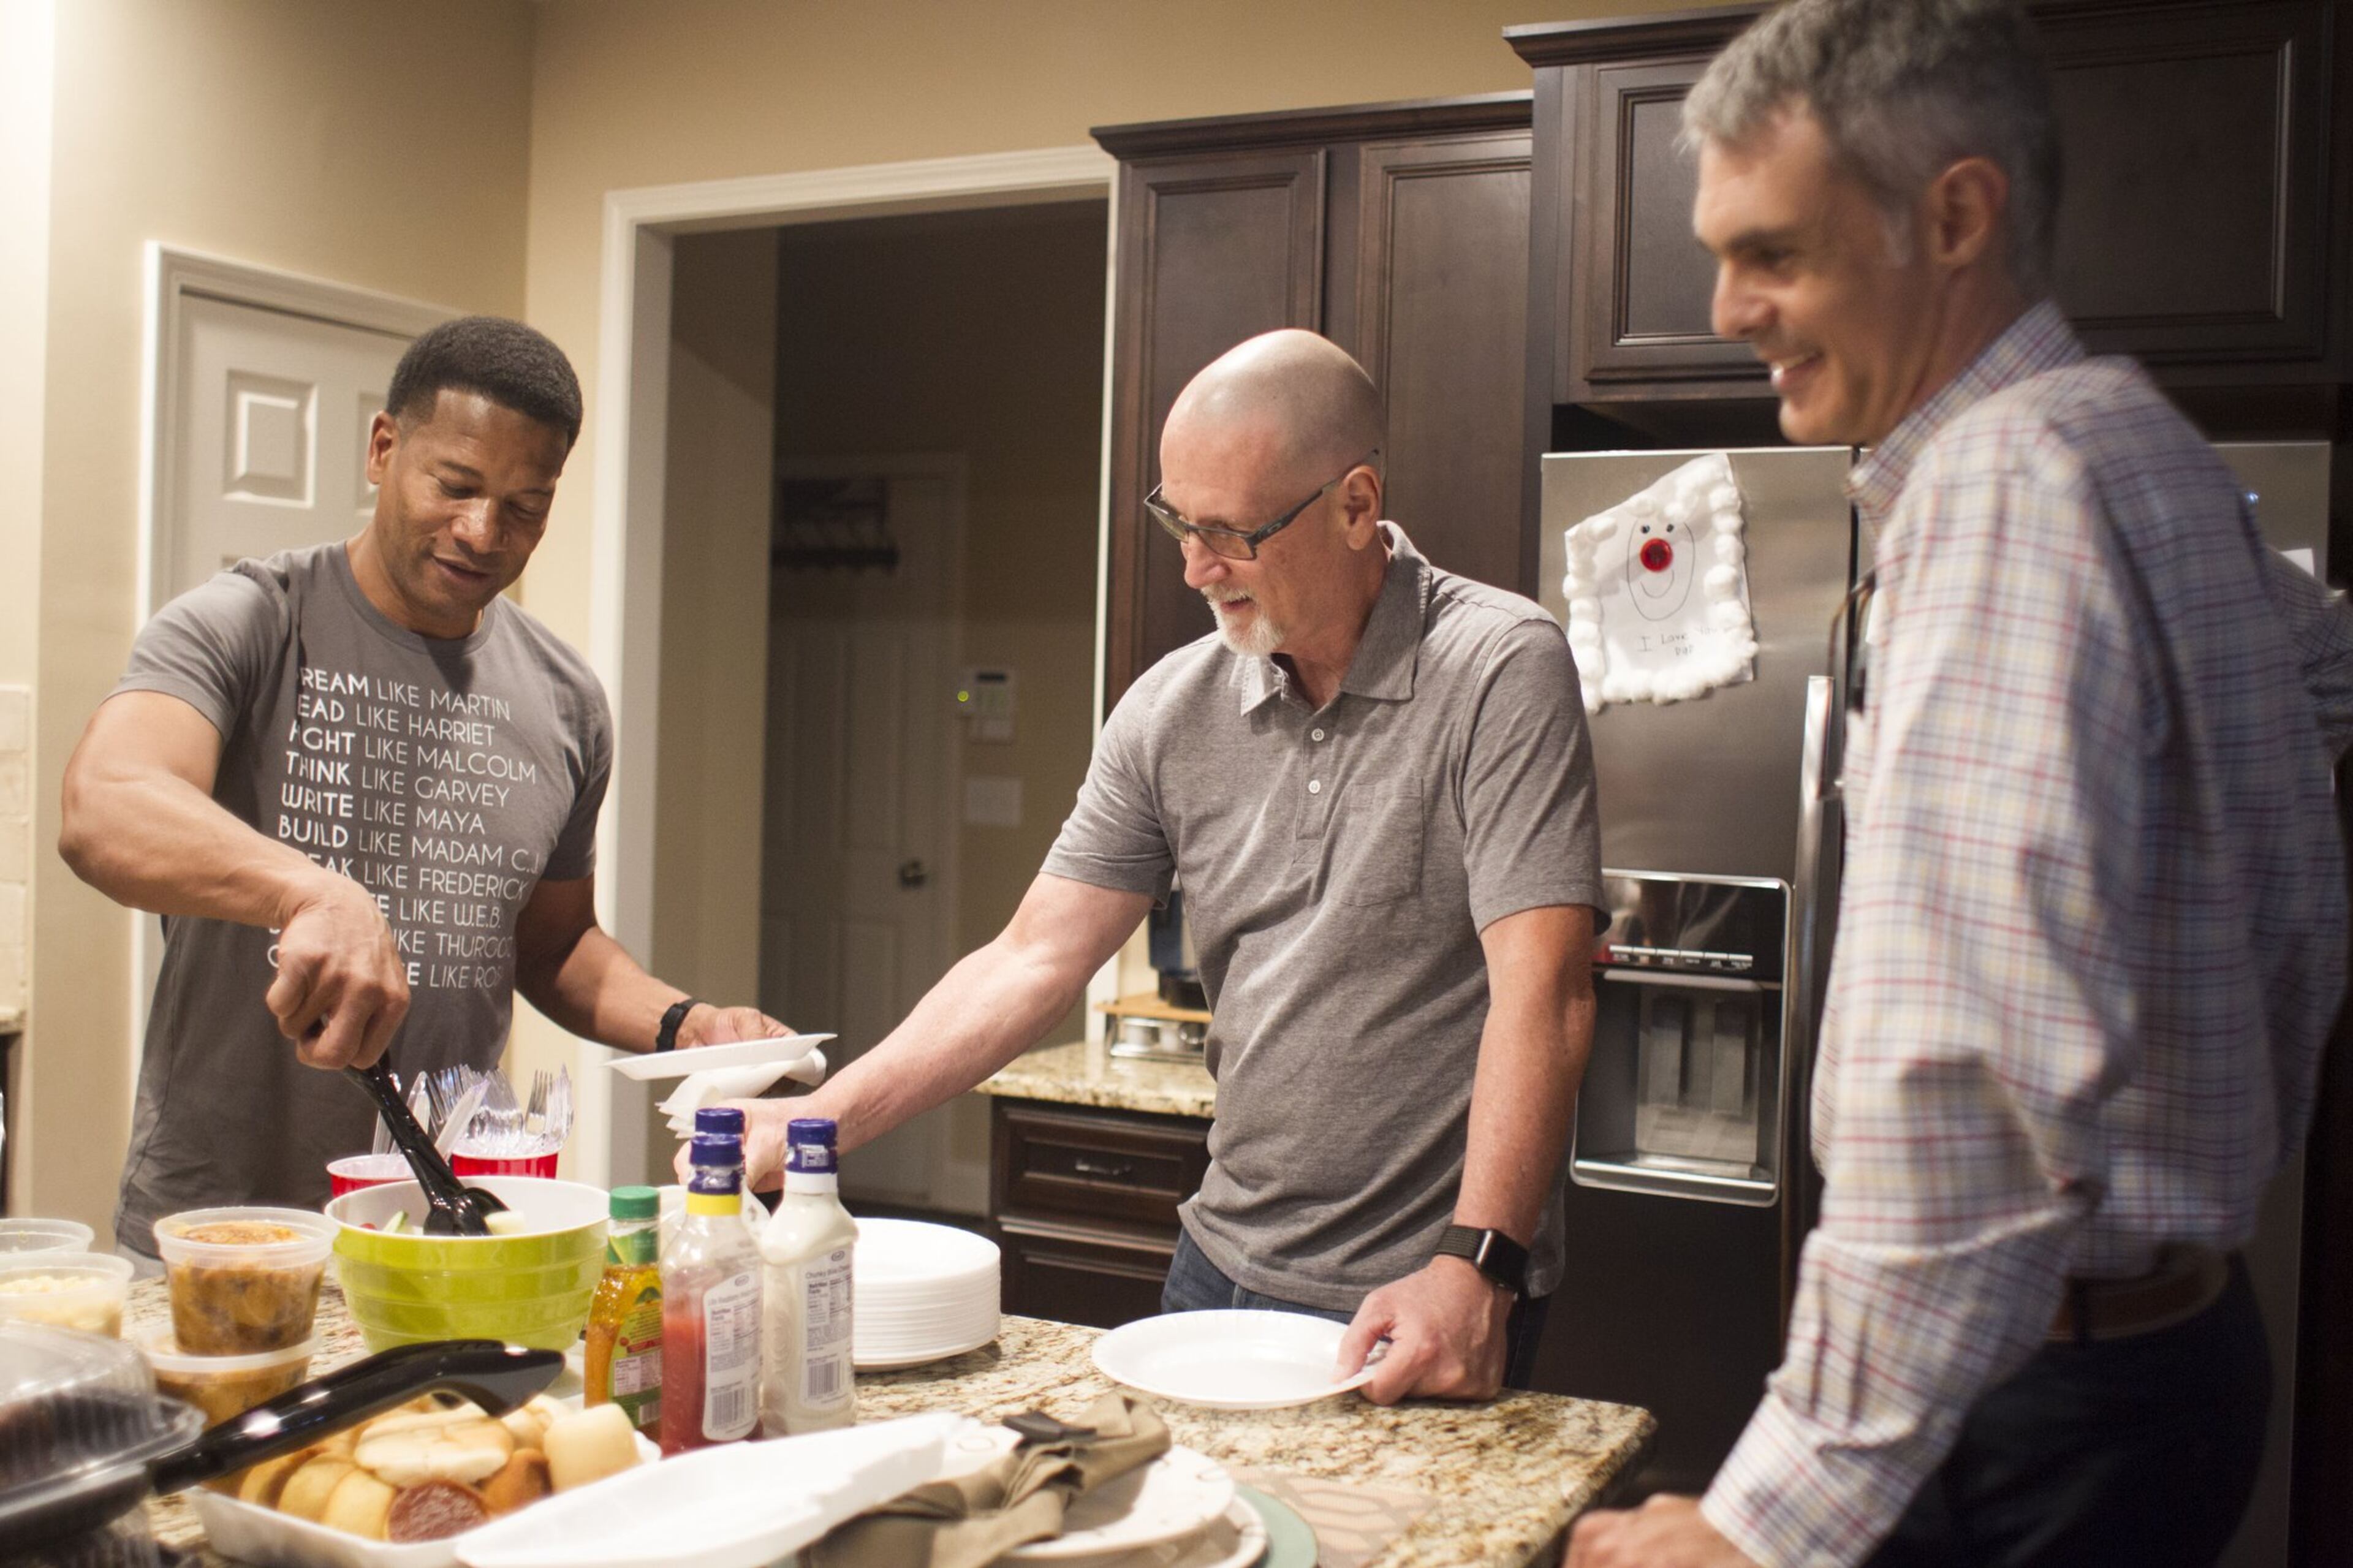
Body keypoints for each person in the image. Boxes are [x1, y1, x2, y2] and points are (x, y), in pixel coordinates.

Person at [1567, 2, 2353, 1566]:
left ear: (1957, 215)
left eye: (1773, 251)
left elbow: (1974, 1084)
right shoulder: (2151, 455)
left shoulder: (2005, 489)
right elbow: (2306, 770)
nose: (1727, 308)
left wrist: (1758, 1526)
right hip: (2172, 1344)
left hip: (2028, 1394)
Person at [716, 330, 1602, 1400]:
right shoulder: (1172, 708)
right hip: (1216, 1266)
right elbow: (1033, 957)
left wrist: (1480, 1265)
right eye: (1179, 522)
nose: (1193, 566)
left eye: (1229, 532)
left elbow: (1544, 992)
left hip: (1425, 1294)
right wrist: (813, 1125)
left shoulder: (1499, 669)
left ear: (1357, 504)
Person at [61, 316, 784, 1267]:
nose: (483, 533)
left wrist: (685, 1022)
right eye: (456, 486)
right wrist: (311, 890)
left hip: (444, 1223)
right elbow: (105, 801)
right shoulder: (252, 622)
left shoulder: (565, 699)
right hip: (224, 1224)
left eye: (526, 507)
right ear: (383, 448)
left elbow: (554, 943)